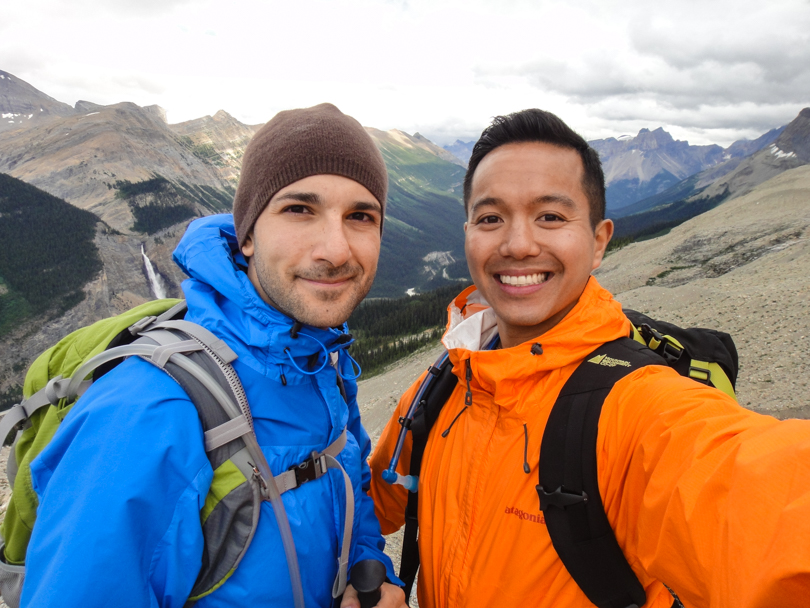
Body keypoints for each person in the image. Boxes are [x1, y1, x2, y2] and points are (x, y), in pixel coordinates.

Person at [369, 109, 810, 608]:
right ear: (468, 231)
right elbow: (365, 508)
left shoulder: (637, 407)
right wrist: (373, 572)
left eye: (551, 217)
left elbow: (763, 499)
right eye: (491, 218)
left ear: (599, 242)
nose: (517, 244)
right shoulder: (445, 385)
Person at [21, 103, 407, 608]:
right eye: (299, 209)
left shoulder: (322, 362)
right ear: (247, 234)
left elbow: (347, 476)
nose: (335, 250)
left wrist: (368, 571)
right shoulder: (146, 411)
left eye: (360, 216)